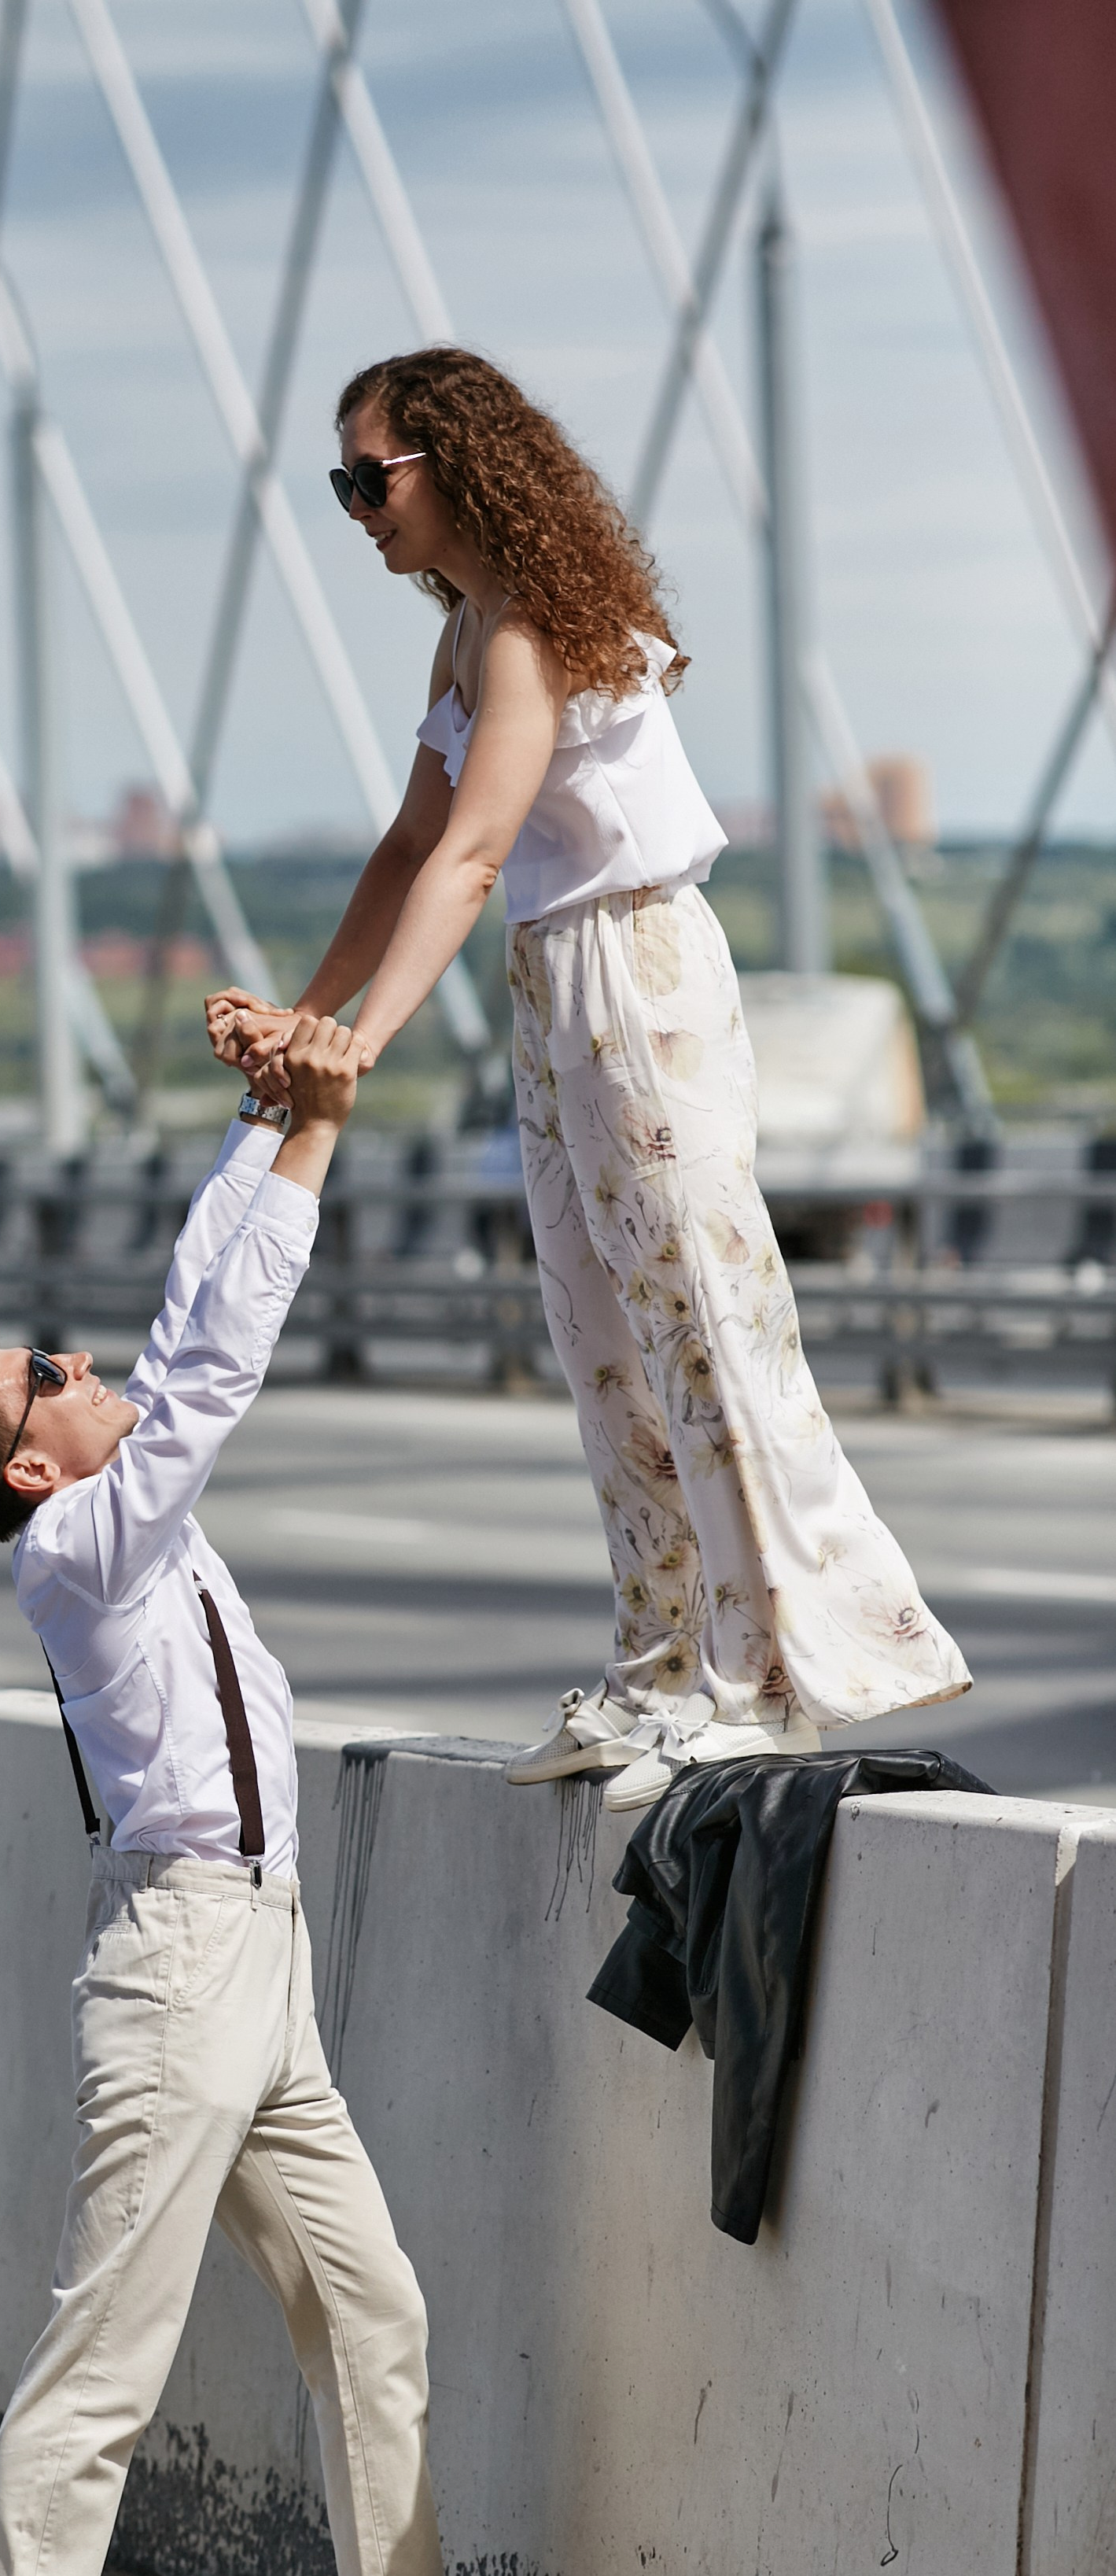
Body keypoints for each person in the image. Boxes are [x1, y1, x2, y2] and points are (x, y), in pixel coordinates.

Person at [0, 1016, 575, 2576]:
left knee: (371, 2305)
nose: (81, 1357)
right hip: (182, 1962)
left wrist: (262, 1123)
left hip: (261, 1961)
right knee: (105, 2341)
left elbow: (184, 1317)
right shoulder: (79, 1547)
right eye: (48, 1369)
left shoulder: (117, 1516)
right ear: (31, 1464)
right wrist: (318, 1141)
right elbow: (206, 1364)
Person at [210, 346, 967, 1814]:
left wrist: (363, 1046)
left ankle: (772, 1680)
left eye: (371, 477)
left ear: (455, 464)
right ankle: (662, 1666)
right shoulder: (462, 634)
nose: (355, 507)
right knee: (599, 1337)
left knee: (705, 1318)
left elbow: (479, 852)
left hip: (637, 974)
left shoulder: (532, 632)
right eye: (340, 484)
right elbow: (406, 849)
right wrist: (303, 1014)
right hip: (552, 985)